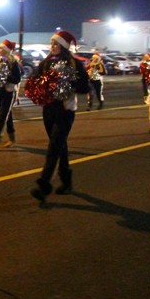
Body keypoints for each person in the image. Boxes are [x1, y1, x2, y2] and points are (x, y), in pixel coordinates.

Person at [30, 30, 89, 202]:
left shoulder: (73, 64)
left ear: (63, 46)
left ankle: (44, 184)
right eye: (51, 43)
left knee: (54, 147)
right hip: (48, 109)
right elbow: (35, 78)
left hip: (65, 110)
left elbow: (84, 87)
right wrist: (38, 84)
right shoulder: (46, 62)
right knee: (59, 147)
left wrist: (68, 83)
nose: (52, 46)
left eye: (56, 44)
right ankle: (67, 183)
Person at [0, 39, 22, 150]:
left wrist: (6, 76)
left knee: (2, 116)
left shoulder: (13, 63)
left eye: (1, 48)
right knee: (8, 116)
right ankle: (12, 139)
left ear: (7, 50)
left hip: (9, 92)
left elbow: (17, 79)